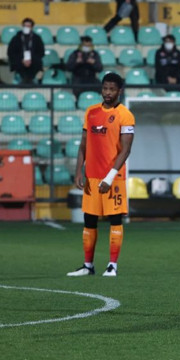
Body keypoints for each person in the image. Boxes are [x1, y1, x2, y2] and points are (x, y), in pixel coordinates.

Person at [67, 72, 136, 278]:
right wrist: (79, 170)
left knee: (115, 219)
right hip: (92, 176)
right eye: (105, 88)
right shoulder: (91, 112)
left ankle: (112, 265)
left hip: (113, 177)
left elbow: (126, 149)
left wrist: (109, 177)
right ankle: (88, 265)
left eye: (112, 89)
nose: (107, 92)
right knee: (89, 219)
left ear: (119, 91)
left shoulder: (125, 115)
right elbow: (83, 145)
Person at [6, 18, 45, 85]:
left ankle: (30, 81)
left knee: (36, 63)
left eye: (28, 26)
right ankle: (23, 80)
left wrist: (30, 59)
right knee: (17, 64)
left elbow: (41, 52)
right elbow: (10, 52)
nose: (26, 28)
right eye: (25, 26)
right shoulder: (16, 38)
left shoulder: (37, 38)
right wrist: (22, 60)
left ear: (32, 27)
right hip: (19, 61)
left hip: (33, 61)